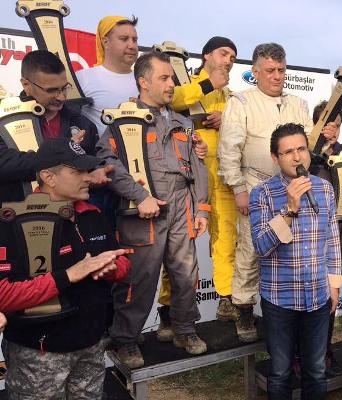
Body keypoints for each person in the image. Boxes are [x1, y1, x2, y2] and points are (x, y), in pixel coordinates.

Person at [97, 52, 209, 368]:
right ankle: (126, 340)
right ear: (143, 82)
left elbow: (198, 167)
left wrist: (202, 208)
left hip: (180, 204)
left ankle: (184, 330)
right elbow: (107, 163)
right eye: (164, 78)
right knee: (139, 278)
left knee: (186, 274)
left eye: (172, 77)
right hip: (141, 210)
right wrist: (138, 195)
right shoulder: (121, 119)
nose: (171, 83)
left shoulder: (183, 123)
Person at [1, 137, 131, 399]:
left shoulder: (92, 213)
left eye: (87, 170)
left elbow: (122, 261)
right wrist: (70, 275)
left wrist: (112, 269)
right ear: (48, 177)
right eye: (78, 171)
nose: (88, 177)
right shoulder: (11, 222)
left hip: (92, 345)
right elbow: (4, 295)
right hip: (39, 353)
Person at [217, 42, 313, 342]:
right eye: (270, 70)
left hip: (293, 187)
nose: (276, 76)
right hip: (255, 185)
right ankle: (244, 309)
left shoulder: (298, 103)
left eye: (281, 70)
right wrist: (238, 189)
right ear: (255, 72)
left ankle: (288, 312)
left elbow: (309, 145)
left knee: (292, 249)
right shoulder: (241, 102)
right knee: (251, 248)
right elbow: (229, 149)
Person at [249, 123, 342, 399]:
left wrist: (334, 286)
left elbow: (332, 241)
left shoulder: (324, 188)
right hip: (279, 298)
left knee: (316, 370)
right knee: (280, 372)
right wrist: (289, 210)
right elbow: (262, 247)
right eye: (288, 151)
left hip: (318, 296)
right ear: (275, 157)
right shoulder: (262, 193)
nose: (297, 156)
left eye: (301, 149)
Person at [153, 37, 240, 340]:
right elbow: (172, 101)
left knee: (226, 238)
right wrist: (207, 85)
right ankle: (168, 309)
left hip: (223, 174)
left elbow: (242, 126)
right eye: (224, 53)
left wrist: (226, 119)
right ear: (206, 56)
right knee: (178, 244)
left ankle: (227, 299)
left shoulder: (232, 96)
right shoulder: (184, 82)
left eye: (233, 57)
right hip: (188, 175)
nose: (229, 60)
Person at [0, 50, 107, 204]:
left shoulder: (82, 124)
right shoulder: (3, 119)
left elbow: (93, 166)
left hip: (71, 215)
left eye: (64, 88)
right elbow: (4, 163)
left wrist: (95, 172)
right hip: (14, 214)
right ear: (26, 84)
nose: (61, 97)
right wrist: (64, 151)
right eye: (51, 90)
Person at [308, 101, 342, 376]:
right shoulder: (305, 156)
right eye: (326, 124)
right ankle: (305, 353)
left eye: (336, 125)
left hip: (340, 237)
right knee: (308, 296)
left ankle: (324, 351)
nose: (331, 130)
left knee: (331, 297)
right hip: (310, 237)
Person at [76, 15, 139, 135]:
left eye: (134, 40)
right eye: (124, 39)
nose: (131, 46)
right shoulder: (82, 78)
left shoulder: (145, 81)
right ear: (106, 42)